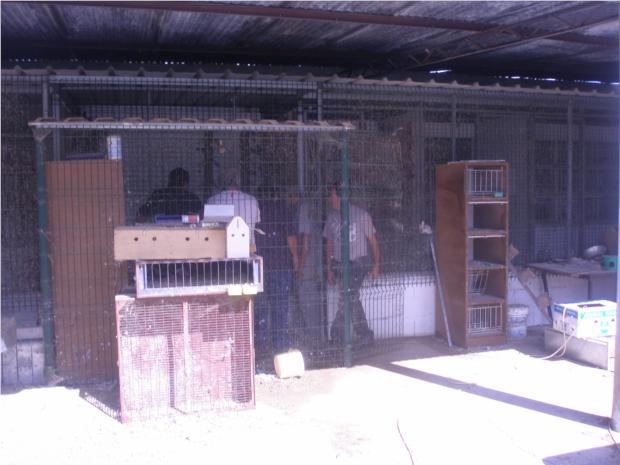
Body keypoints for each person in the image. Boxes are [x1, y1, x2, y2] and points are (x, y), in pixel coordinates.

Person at [323, 184, 380, 347]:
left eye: (332, 195)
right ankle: (363, 335)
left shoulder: (361, 215)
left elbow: (373, 242)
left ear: (341, 197)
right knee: (350, 299)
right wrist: (329, 268)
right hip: (340, 264)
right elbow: (329, 245)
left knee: (347, 297)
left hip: (357, 264)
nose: (330, 199)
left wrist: (376, 265)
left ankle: (337, 334)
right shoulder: (331, 217)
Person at [255, 187, 301, 353]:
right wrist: (295, 256)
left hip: (260, 265)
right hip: (281, 264)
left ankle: (260, 345)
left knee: (260, 306)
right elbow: (290, 237)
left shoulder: (257, 210)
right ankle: (279, 345)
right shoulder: (283, 210)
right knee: (280, 306)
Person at [206, 169, 260, 252]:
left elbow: (207, 225)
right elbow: (256, 223)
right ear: (239, 182)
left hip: (220, 248)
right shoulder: (252, 200)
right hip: (247, 247)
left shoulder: (213, 200)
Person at [136, 167, 202, 223]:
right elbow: (202, 218)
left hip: (158, 232)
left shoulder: (158, 195)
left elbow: (140, 218)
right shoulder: (192, 198)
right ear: (185, 183)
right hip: (187, 232)